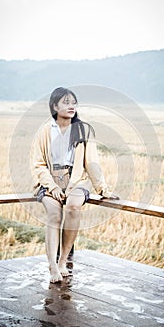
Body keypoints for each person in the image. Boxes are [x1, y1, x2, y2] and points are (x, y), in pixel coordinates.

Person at [31, 87, 118, 283]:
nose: (71, 106)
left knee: (72, 207)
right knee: (54, 213)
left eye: (73, 102)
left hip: (77, 180)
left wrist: (103, 189)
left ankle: (62, 261)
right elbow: (38, 164)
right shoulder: (45, 131)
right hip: (50, 180)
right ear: (54, 106)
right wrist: (52, 186)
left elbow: (92, 163)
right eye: (66, 102)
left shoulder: (83, 129)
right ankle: (52, 266)